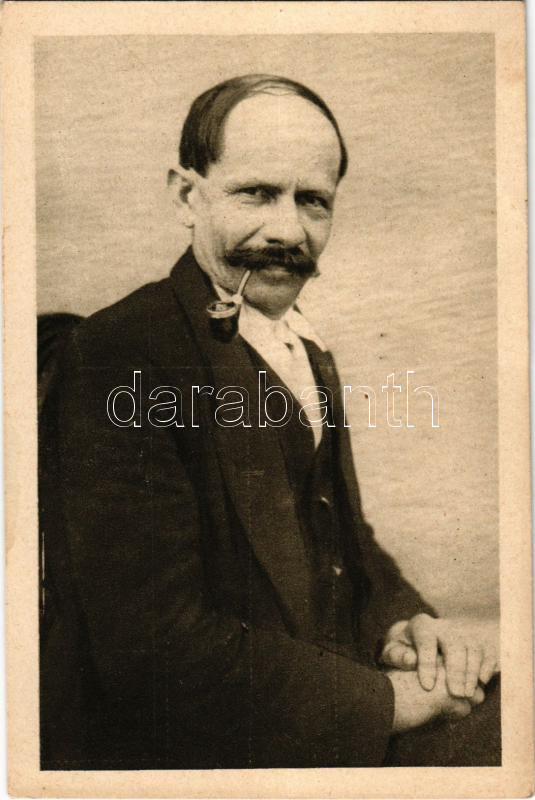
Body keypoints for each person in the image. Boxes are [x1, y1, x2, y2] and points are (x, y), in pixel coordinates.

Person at [39, 74, 500, 770]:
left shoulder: (305, 349)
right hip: (185, 755)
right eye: (256, 193)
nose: (287, 231)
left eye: (313, 200)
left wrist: (407, 624)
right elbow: (153, 648)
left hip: (319, 706)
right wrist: (389, 703)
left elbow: (348, 540)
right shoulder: (119, 352)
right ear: (186, 196)